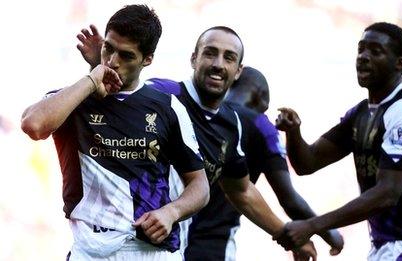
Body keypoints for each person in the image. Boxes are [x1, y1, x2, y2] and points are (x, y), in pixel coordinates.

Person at [76, 25, 318, 260]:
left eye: (229, 57)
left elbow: (241, 191)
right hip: (116, 242)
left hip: (171, 246)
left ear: (238, 71)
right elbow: (118, 100)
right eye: (210, 53)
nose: (218, 64)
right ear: (194, 58)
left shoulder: (230, 124)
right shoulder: (163, 95)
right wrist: (100, 65)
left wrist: (288, 237)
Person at [21, 5, 209, 261]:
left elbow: (200, 185)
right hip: (91, 251)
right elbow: (33, 125)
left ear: (147, 59)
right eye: (108, 48)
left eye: (126, 55)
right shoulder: (74, 100)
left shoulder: (168, 107)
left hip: (153, 251)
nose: (112, 62)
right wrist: (91, 78)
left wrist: (171, 212)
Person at [274, 22, 402, 260]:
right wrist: (293, 132)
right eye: (361, 49)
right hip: (388, 247)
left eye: (375, 51)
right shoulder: (360, 114)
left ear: (400, 63)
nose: (363, 57)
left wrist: (313, 225)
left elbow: (388, 192)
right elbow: (307, 163)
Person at [183, 66, 344, 261]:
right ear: (261, 99)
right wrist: (330, 234)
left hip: (171, 240)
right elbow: (289, 200)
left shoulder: (194, 113)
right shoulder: (260, 124)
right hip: (213, 246)